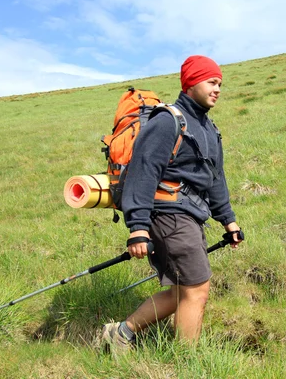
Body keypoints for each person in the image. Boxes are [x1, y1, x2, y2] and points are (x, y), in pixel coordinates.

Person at [101, 55, 243, 353]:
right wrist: (138, 227)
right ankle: (186, 362)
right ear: (191, 83)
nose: (217, 89)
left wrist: (228, 220)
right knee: (197, 290)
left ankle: (121, 333)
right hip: (167, 215)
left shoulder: (208, 127)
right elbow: (143, 171)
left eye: (220, 83)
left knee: (182, 290)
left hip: (190, 216)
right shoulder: (168, 120)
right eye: (211, 82)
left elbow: (215, 178)